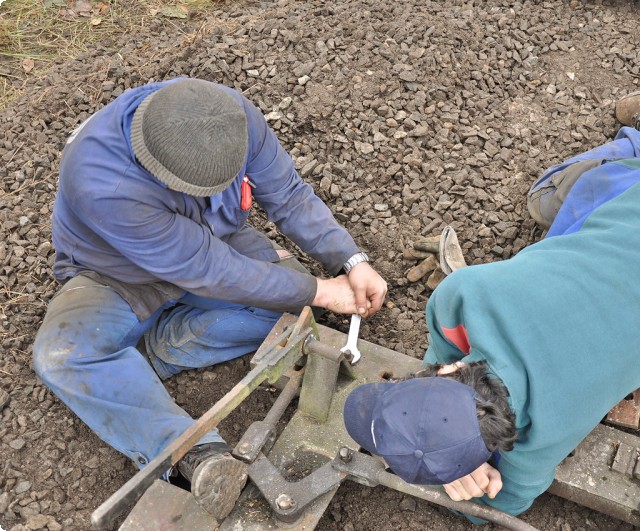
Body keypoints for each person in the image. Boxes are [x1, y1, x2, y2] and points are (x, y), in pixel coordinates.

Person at [343, 91, 640, 521]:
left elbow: (502, 506)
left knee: (546, 199)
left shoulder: (547, 434)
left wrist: (460, 464)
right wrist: (444, 430)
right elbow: (441, 354)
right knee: (548, 203)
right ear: (447, 373)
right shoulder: (465, 295)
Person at [32, 78, 387, 520]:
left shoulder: (225, 117)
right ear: (156, 171)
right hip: (116, 276)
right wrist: (321, 290)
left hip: (213, 245)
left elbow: (289, 196)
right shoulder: (102, 180)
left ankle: (155, 350)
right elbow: (209, 270)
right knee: (64, 355)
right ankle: (190, 451)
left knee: (294, 306)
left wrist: (350, 261)